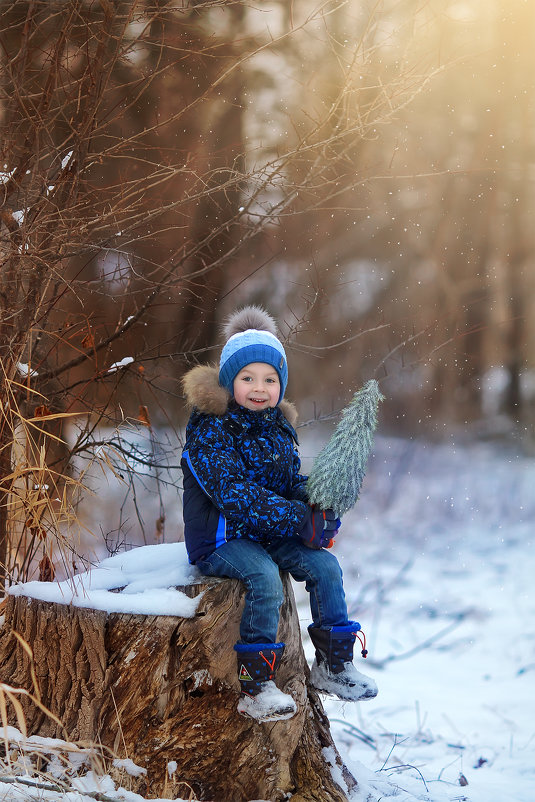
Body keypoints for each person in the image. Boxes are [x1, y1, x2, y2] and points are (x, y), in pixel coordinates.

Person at [180, 305, 377, 722]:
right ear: (228, 381)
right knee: (265, 578)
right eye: (247, 378)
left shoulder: (277, 427)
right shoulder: (209, 430)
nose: (259, 388)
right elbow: (236, 496)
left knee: (325, 565)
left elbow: (285, 484)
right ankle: (257, 686)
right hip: (223, 538)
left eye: (270, 379)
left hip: (265, 531)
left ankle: (332, 666)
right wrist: (296, 519)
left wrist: (315, 503)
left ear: (280, 384)